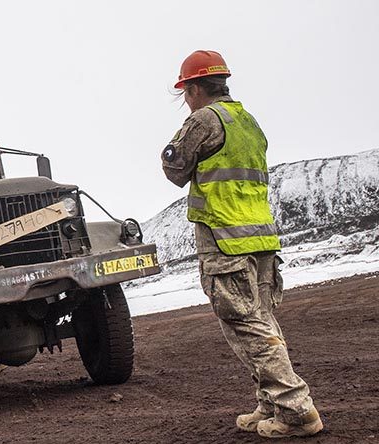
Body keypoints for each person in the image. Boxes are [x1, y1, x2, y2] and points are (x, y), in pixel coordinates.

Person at [161, 50, 323, 439]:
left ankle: (296, 410)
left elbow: (174, 169)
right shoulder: (248, 121)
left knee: (247, 325)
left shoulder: (205, 119)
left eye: (185, 91)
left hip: (225, 238)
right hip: (261, 238)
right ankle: (270, 402)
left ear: (196, 88)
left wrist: (173, 147)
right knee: (260, 322)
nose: (186, 98)